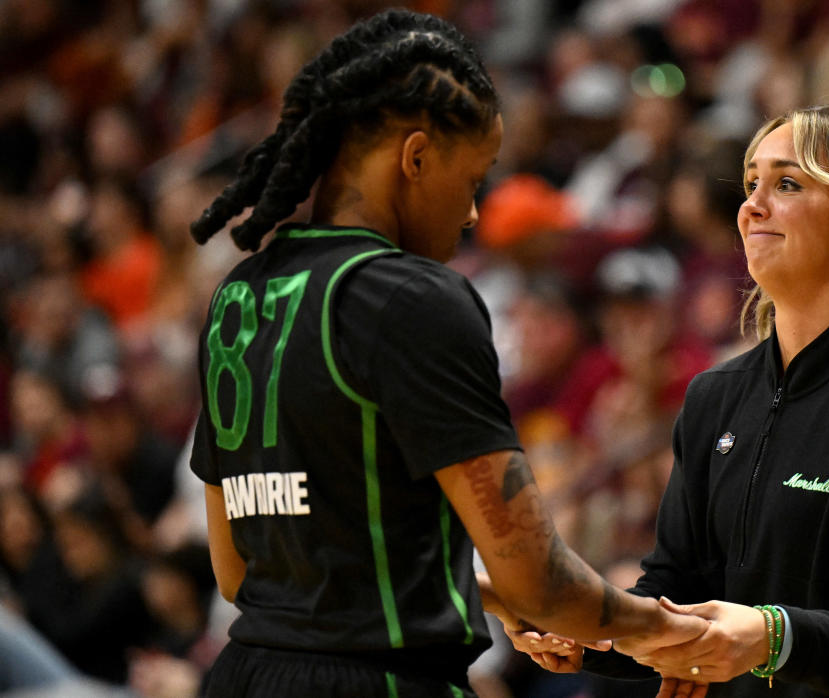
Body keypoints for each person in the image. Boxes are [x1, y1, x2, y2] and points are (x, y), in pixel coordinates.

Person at [185, 10, 705, 698]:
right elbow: (539, 578)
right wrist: (670, 634)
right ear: (417, 157)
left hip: (244, 677)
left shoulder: (237, 297)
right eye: (473, 179)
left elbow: (239, 571)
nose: (471, 215)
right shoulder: (411, 298)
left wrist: (481, 596)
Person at [510, 101, 829, 697]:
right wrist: (586, 629)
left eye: (786, 183)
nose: (752, 205)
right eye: (751, 182)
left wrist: (772, 635)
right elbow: (676, 595)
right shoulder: (715, 396)